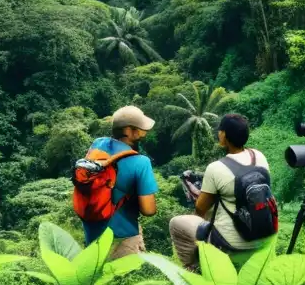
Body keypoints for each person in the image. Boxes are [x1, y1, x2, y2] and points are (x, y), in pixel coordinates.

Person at [170, 113, 274, 271]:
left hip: (230, 245)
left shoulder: (216, 168)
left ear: (224, 135)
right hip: (264, 238)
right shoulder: (259, 156)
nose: (218, 133)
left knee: (176, 224)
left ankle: (194, 270)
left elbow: (200, 209)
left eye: (220, 130)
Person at [80, 105, 159, 260]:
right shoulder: (141, 162)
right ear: (129, 131)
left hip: (93, 233)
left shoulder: (97, 144)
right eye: (140, 128)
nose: (144, 132)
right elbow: (148, 210)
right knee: (124, 281)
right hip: (123, 237)